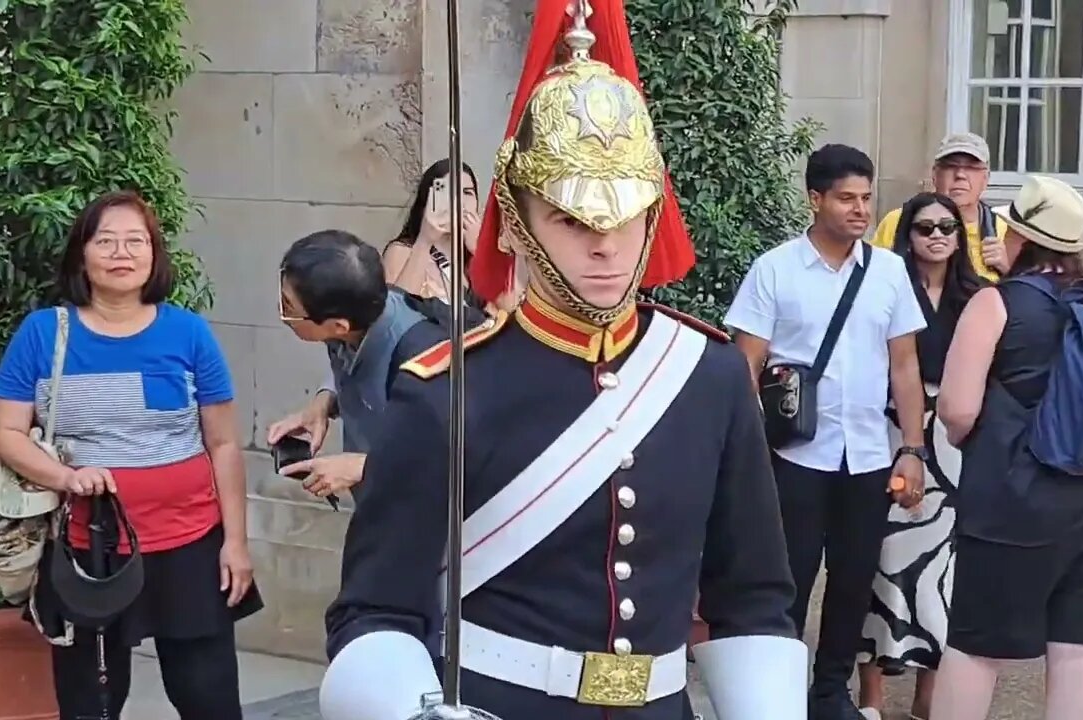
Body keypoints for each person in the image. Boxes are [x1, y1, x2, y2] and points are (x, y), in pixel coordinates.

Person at [316, 3, 807, 720]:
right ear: (517, 222)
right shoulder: (445, 389)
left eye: (625, 214)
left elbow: (753, 595)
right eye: (574, 220)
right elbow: (373, 609)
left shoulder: (708, 376)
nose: (605, 244)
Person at [0, 190, 261, 720]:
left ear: (154, 255)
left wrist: (237, 544)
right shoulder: (44, 334)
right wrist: (66, 477)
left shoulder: (189, 333)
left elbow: (223, 444)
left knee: (210, 697)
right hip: (88, 550)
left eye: (136, 241)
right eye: (105, 240)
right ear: (81, 255)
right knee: (93, 703)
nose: (121, 252)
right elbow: (4, 431)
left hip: (190, 543)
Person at [932, 175, 1083, 720]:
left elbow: (957, 408)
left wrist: (977, 442)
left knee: (977, 648)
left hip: (1017, 502)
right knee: (1081, 650)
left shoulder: (996, 303)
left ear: (1021, 237)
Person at [726, 143, 928, 720]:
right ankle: (777, 692)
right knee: (786, 578)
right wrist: (750, 452)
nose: (860, 209)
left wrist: (910, 449)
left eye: (866, 198)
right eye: (846, 198)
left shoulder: (887, 271)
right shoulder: (775, 269)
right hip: (794, 454)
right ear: (815, 199)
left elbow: (905, 365)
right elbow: (747, 365)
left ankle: (829, 691)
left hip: (866, 454)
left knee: (853, 580)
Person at [856, 193, 985, 720]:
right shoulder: (886, 287)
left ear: (959, 235)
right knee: (880, 562)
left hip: (955, 443)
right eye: (925, 226)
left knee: (946, 573)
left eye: (947, 227)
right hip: (894, 432)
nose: (936, 235)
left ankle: (928, 702)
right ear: (907, 234)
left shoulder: (979, 297)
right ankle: (870, 700)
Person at [266, 230, 478, 503]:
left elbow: (453, 460)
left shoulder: (424, 362)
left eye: (288, 307)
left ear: (338, 325)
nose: (281, 312)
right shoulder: (357, 315)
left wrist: (361, 468)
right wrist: (322, 403)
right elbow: (348, 361)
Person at [871, 132, 1011, 281]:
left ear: (986, 178)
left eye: (971, 167)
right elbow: (872, 282)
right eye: (951, 166)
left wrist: (1008, 270)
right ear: (935, 174)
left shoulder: (1005, 231)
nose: (960, 175)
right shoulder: (898, 222)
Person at [382, 159, 487, 309]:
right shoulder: (402, 251)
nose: (460, 201)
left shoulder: (474, 257)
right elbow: (396, 314)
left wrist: (481, 252)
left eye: (467, 192)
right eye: (450, 192)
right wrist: (425, 242)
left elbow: (508, 309)